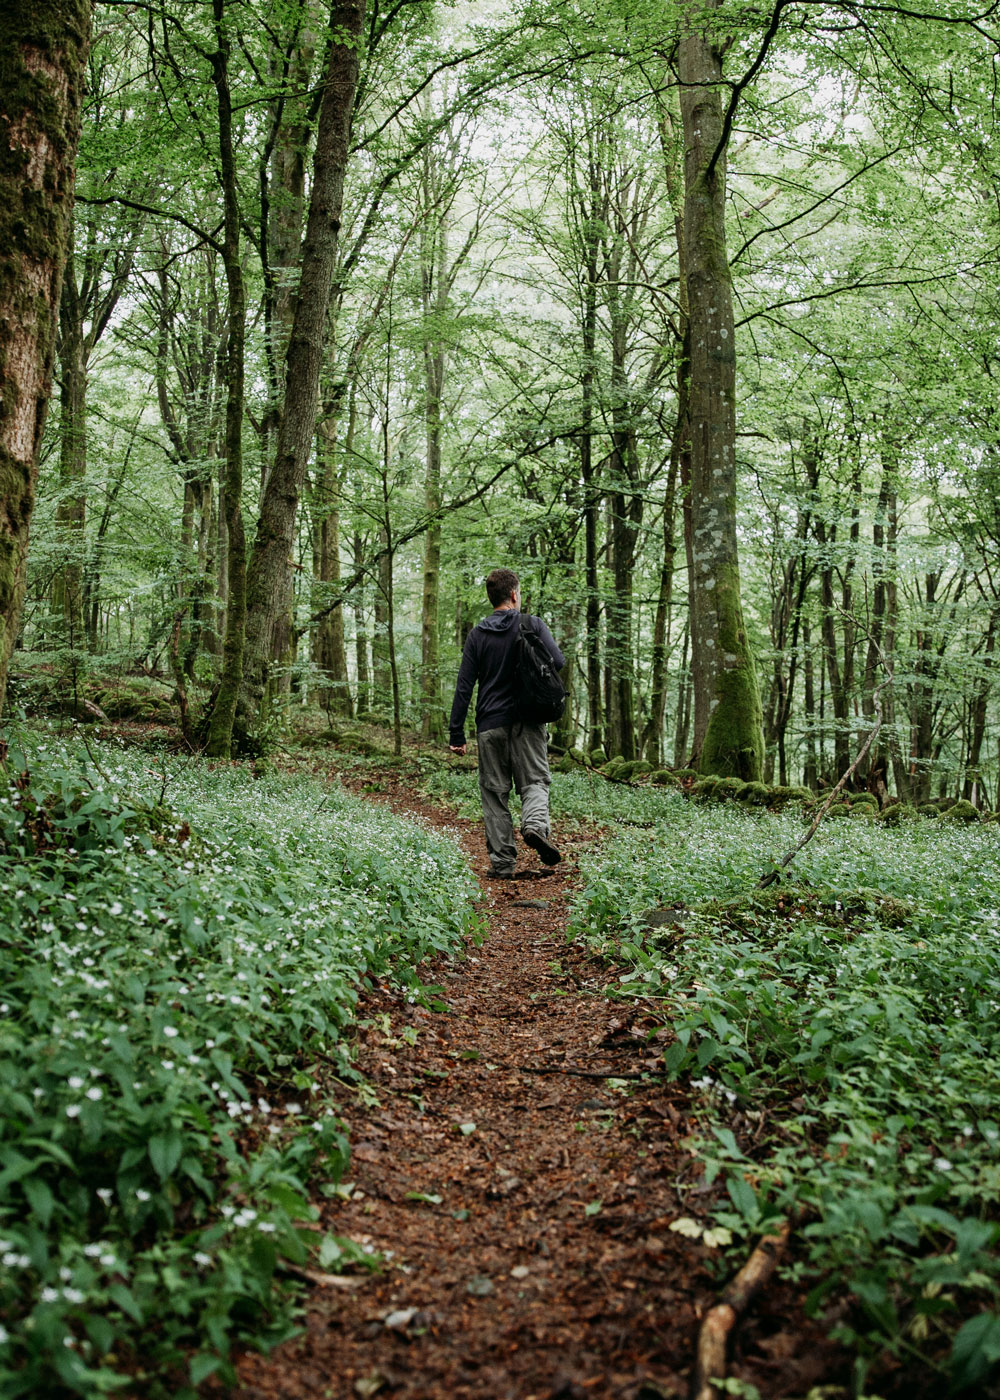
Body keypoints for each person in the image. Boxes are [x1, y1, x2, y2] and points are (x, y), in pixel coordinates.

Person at [448, 568, 564, 878]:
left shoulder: (477, 635)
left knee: (494, 793)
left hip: (490, 724)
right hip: (528, 721)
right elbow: (559, 662)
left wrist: (456, 732)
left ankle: (502, 864)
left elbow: (464, 684)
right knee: (535, 782)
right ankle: (535, 826)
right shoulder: (532, 625)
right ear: (514, 595)